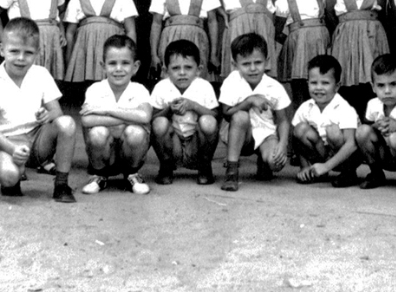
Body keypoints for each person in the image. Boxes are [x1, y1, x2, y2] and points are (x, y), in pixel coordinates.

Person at [0, 18, 77, 202]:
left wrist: (47, 115)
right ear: (1, 50)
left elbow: (57, 113)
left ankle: (61, 184)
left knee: (67, 123)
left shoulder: (41, 74)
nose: (21, 58)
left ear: (37, 53)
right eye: (14, 51)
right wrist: (12, 149)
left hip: (38, 140)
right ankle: (14, 178)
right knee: (8, 176)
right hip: (8, 142)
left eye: (28, 53)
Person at [79, 35, 152, 195]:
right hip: (104, 152)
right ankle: (99, 175)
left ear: (135, 66)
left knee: (136, 132)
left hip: (130, 152)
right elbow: (86, 119)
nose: (118, 69)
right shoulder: (95, 89)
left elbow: (145, 117)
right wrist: (129, 117)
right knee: (98, 132)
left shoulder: (139, 90)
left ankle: (132, 174)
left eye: (125, 63)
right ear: (103, 66)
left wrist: (107, 110)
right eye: (112, 63)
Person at [218, 33, 292, 192]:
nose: (252, 68)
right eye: (246, 64)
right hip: (239, 134)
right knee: (240, 117)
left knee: (276, 162)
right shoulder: (232, 81)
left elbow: (283, 120)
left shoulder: (274, 86)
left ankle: (264, 162)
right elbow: (226, 113)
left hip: (265, 133)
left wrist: (282, 144)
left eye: (258, 62)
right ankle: (232, 171)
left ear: (267, 61)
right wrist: (249, 101)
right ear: (235, 64)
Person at [150, 40, 219, 186]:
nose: (182, 73)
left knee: (208, 122)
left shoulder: (204, 86)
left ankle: (205, 166)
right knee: (159, 123)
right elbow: (152, 119)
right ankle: (166, 166)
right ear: (166, 70)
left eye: (188, 67)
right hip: (172, 143)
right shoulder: (161, 87)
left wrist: (193, 106)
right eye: (175, 68)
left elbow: (215, 117)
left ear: (198, 69)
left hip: (195, 144)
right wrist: (169, 110)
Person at [291, 55, 361, 188]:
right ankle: (315, 171)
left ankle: (348, 173)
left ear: (337, 86)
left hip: (347, 156)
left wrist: (326, 166)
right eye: (314, 83)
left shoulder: (344, 108)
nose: (318, 88)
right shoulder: (306, 107)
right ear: (308, 83)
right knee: (300, 129)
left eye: (325, 83)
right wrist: (304, 166)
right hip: (323, 152)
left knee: (333, 131)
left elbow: (351, 144)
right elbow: (296, 140)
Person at [274, 0, 330, 106]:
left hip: (320, 50)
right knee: (299, 90)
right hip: (297, 52)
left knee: (321, 87)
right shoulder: (284, 2)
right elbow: (278, 33)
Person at [357, 55, 396, 191]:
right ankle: (376, 173)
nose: (387, 91)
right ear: (373, 87)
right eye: (381, 85)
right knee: (362, 131)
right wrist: (375, 127)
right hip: (383, 153)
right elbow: (368, 130)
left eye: (393, 84)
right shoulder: (373, 104)